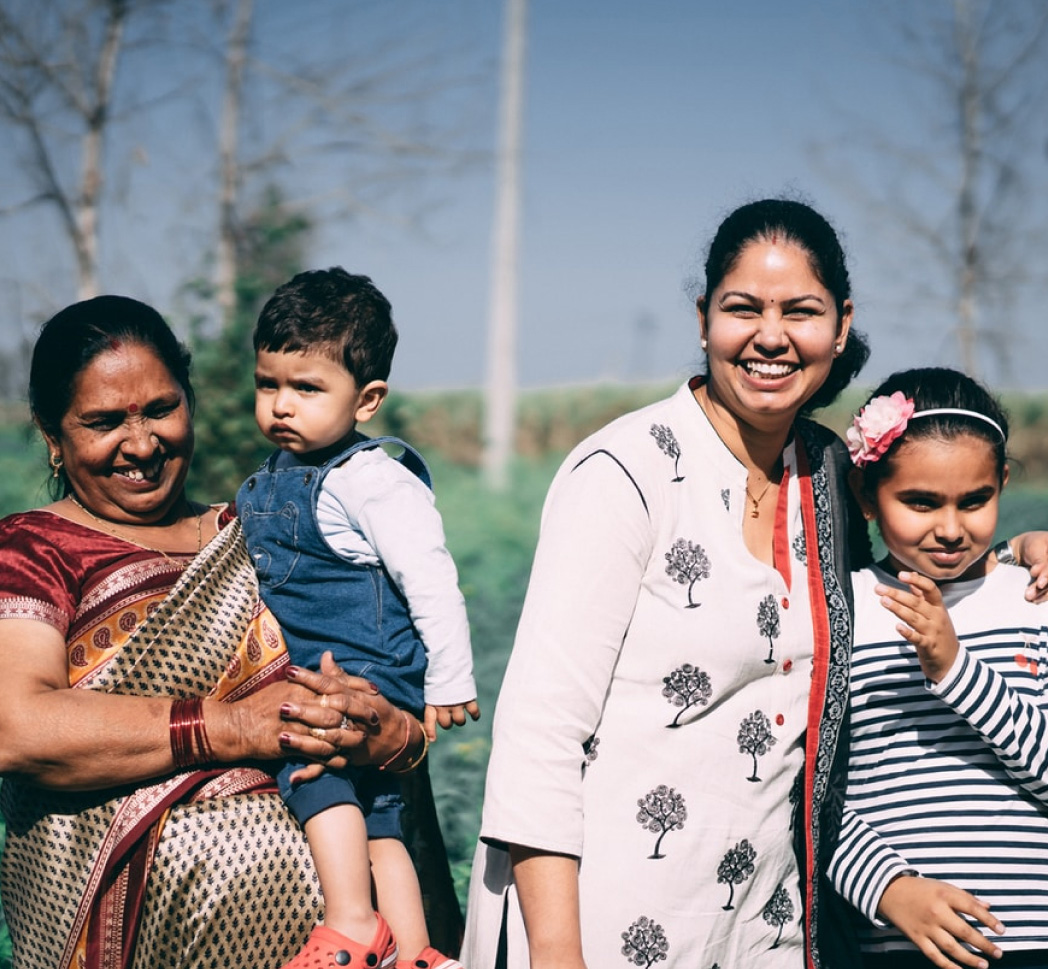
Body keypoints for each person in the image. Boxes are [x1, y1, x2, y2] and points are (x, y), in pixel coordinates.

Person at [462, 198, 1048, 969]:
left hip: (761, 930)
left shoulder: (831, 475)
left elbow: (922, 557)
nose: (771, 336)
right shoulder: (626, 474)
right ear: (705, 317)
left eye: (800, 311)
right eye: (744, 308)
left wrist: (1017, 554)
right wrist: (559, 957)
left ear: (839, 327)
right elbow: (540, 738)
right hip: (602, 921)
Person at [0, 295, 439, 969]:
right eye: (103, 421)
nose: (142, 443)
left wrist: (383, 731)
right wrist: (233, 727)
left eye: (160, 409)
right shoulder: (32, 551)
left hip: (341, 942)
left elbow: (393, 678)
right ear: (53, 435)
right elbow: (18, 726)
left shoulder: (263, 532)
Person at [236, 268, 479, 969]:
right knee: (382, 819)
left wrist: (450, 678)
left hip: (364, 666)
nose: (282, 405)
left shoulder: (372, 479)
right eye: (268, 383)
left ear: (367, 400)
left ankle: (348, 922)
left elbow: (431, 577)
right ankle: (415, 951)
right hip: (338, 664)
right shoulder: (276, 472)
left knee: (312, 765)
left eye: (307, 388)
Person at [827, 368, 1048, 969]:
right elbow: (812, 790)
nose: (951, 529)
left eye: (975, 501)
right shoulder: (836, 612)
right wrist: (887, 888)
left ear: (1002, 482)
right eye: (920, 502)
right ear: (867, 494)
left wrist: (954, 668)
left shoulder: (1036, 598)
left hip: (1030, 943)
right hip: (897, 945)